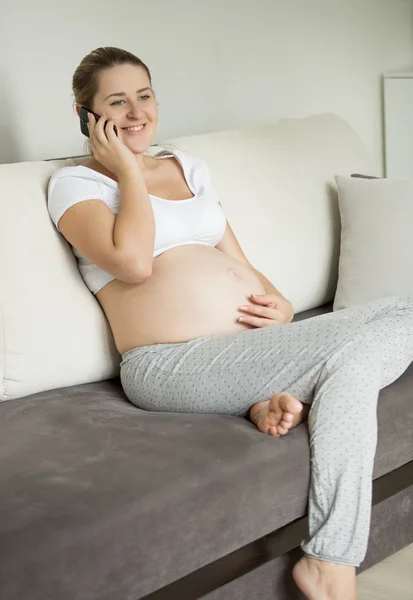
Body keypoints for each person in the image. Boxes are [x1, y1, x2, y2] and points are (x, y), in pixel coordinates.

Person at [47, 46, 413, 600]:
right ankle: (330, 560)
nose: (136, 112)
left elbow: (238, 262)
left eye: (144, 96)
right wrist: (127, 171)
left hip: (253, 347)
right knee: (370, 343)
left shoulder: (189, 166)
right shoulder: (77, 185)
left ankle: (278, 398)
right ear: (86, 115)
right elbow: (134, 264)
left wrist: (281, 304)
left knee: (375, 340)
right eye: (116, 102)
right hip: (169, 364)